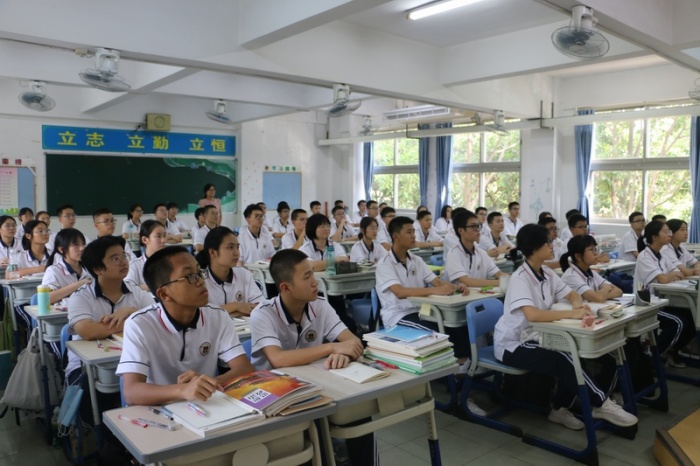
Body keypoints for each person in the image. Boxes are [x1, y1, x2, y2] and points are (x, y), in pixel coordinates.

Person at [494, 224, 637, 429]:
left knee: (574, 351)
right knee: (563, 357)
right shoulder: (520, 278)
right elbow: (533, 315)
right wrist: (571, 313)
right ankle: (601, 403)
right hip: (513, 343)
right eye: (548, 242)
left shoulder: (546, 272)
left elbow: (572, 294)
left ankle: (560, 408)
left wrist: (579, 306)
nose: (552, 245)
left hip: (539, 335)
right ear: (534, 247)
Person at [249, 249, 374, 466]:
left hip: (316, 388)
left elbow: (353, 342)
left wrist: (343, 354)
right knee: (312, 440)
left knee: (360, 415)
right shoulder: (263, 313)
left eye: (313, 274)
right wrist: (332, 348)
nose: (315, 282)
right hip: (276, 399)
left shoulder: (320, 305)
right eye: (307, 277)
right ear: (285, 287)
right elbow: (278, 359)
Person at [117, 246, 254, 406]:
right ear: (164, 294)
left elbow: (245, 369)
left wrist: (209, 383)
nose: (201, 281)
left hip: (205, 406)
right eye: (190, 276)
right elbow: (131, 392)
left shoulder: (217, 316)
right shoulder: (139, 324)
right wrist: (183, 390)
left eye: (199, 272)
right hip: (158, 408)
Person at [634, 220, 696, 366]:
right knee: (677, 323)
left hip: (661, 301)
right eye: (665, 231)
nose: (669, 234)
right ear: (655, 237)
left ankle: (671, 350)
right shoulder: (645, 256)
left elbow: (678, 274)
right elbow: (663, 278)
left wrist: (671, 275)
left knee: (692, 318)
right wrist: (671, 275)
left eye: (670, 231)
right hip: (647, 304)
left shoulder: (661, 255)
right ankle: (652, 356)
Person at [195, 226, 263, 317]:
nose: (237, 253)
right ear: (212, 253)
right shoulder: (200, 280)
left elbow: (260, 307)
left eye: (237, 247)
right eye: (230, 247)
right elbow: (202, 315)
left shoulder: (243, 274)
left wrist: (231, 312)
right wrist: (236, 306)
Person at [446, 210, 506, 287]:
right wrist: (501, 282)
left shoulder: (481, 252)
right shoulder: (453, 254)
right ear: (461, 230)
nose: (478, 230)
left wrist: (511, 279)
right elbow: (466, 281)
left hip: (479, 293)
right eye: (473, 226)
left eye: (478, 226)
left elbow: (499, 274)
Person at [560, 235, 623, 302]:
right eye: (591, 250)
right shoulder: (571, 276)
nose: (595, 253)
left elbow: (619, 291)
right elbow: (598, 298)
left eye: (595, 249)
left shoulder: (591, 273)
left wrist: (602, 296)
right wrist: (606, 288)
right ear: (578, 256)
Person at [41, 228, 92, 306]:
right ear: (61, 249)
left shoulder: (90, 268)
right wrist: (81, 283)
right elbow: (46, 299)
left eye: (83, 244)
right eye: (76, 244)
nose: (82, 248)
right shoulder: (53, 271)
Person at [125, 220, 167, 290]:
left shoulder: (170, 263)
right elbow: (128, 287)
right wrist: (154, 287)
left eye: (164, 236)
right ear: (145, 240)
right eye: (158, 236)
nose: (163, 240)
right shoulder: (135, 265)